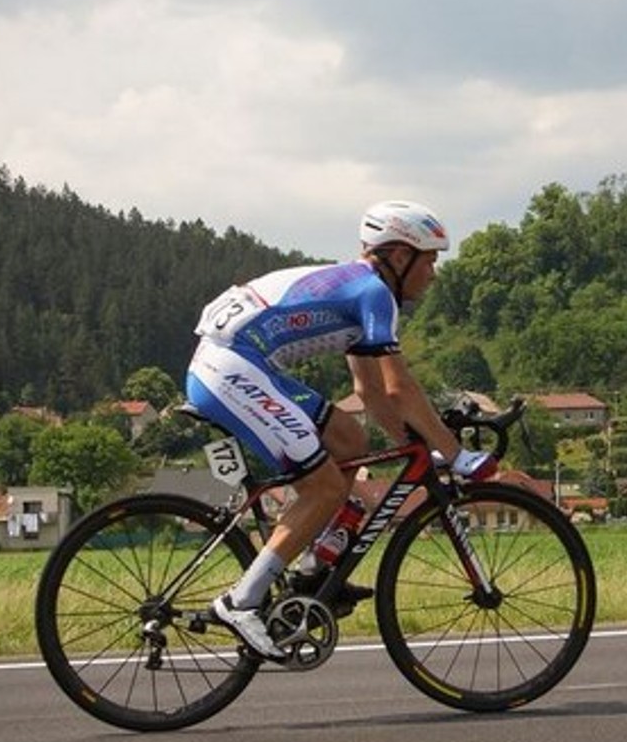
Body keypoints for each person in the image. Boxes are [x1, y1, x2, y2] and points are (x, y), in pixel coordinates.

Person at [185, 200, 498, 659]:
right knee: (325, 487)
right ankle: (242, 600)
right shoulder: (374, 293)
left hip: (236, 363)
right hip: (230, 369)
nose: (433, 274)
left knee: (350, 439)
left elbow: (369, 391)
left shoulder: (357, 288)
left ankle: (312, 567)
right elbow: (399, 388)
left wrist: (411, 449)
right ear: (398, 255)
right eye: (429, 260)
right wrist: (455, 455)